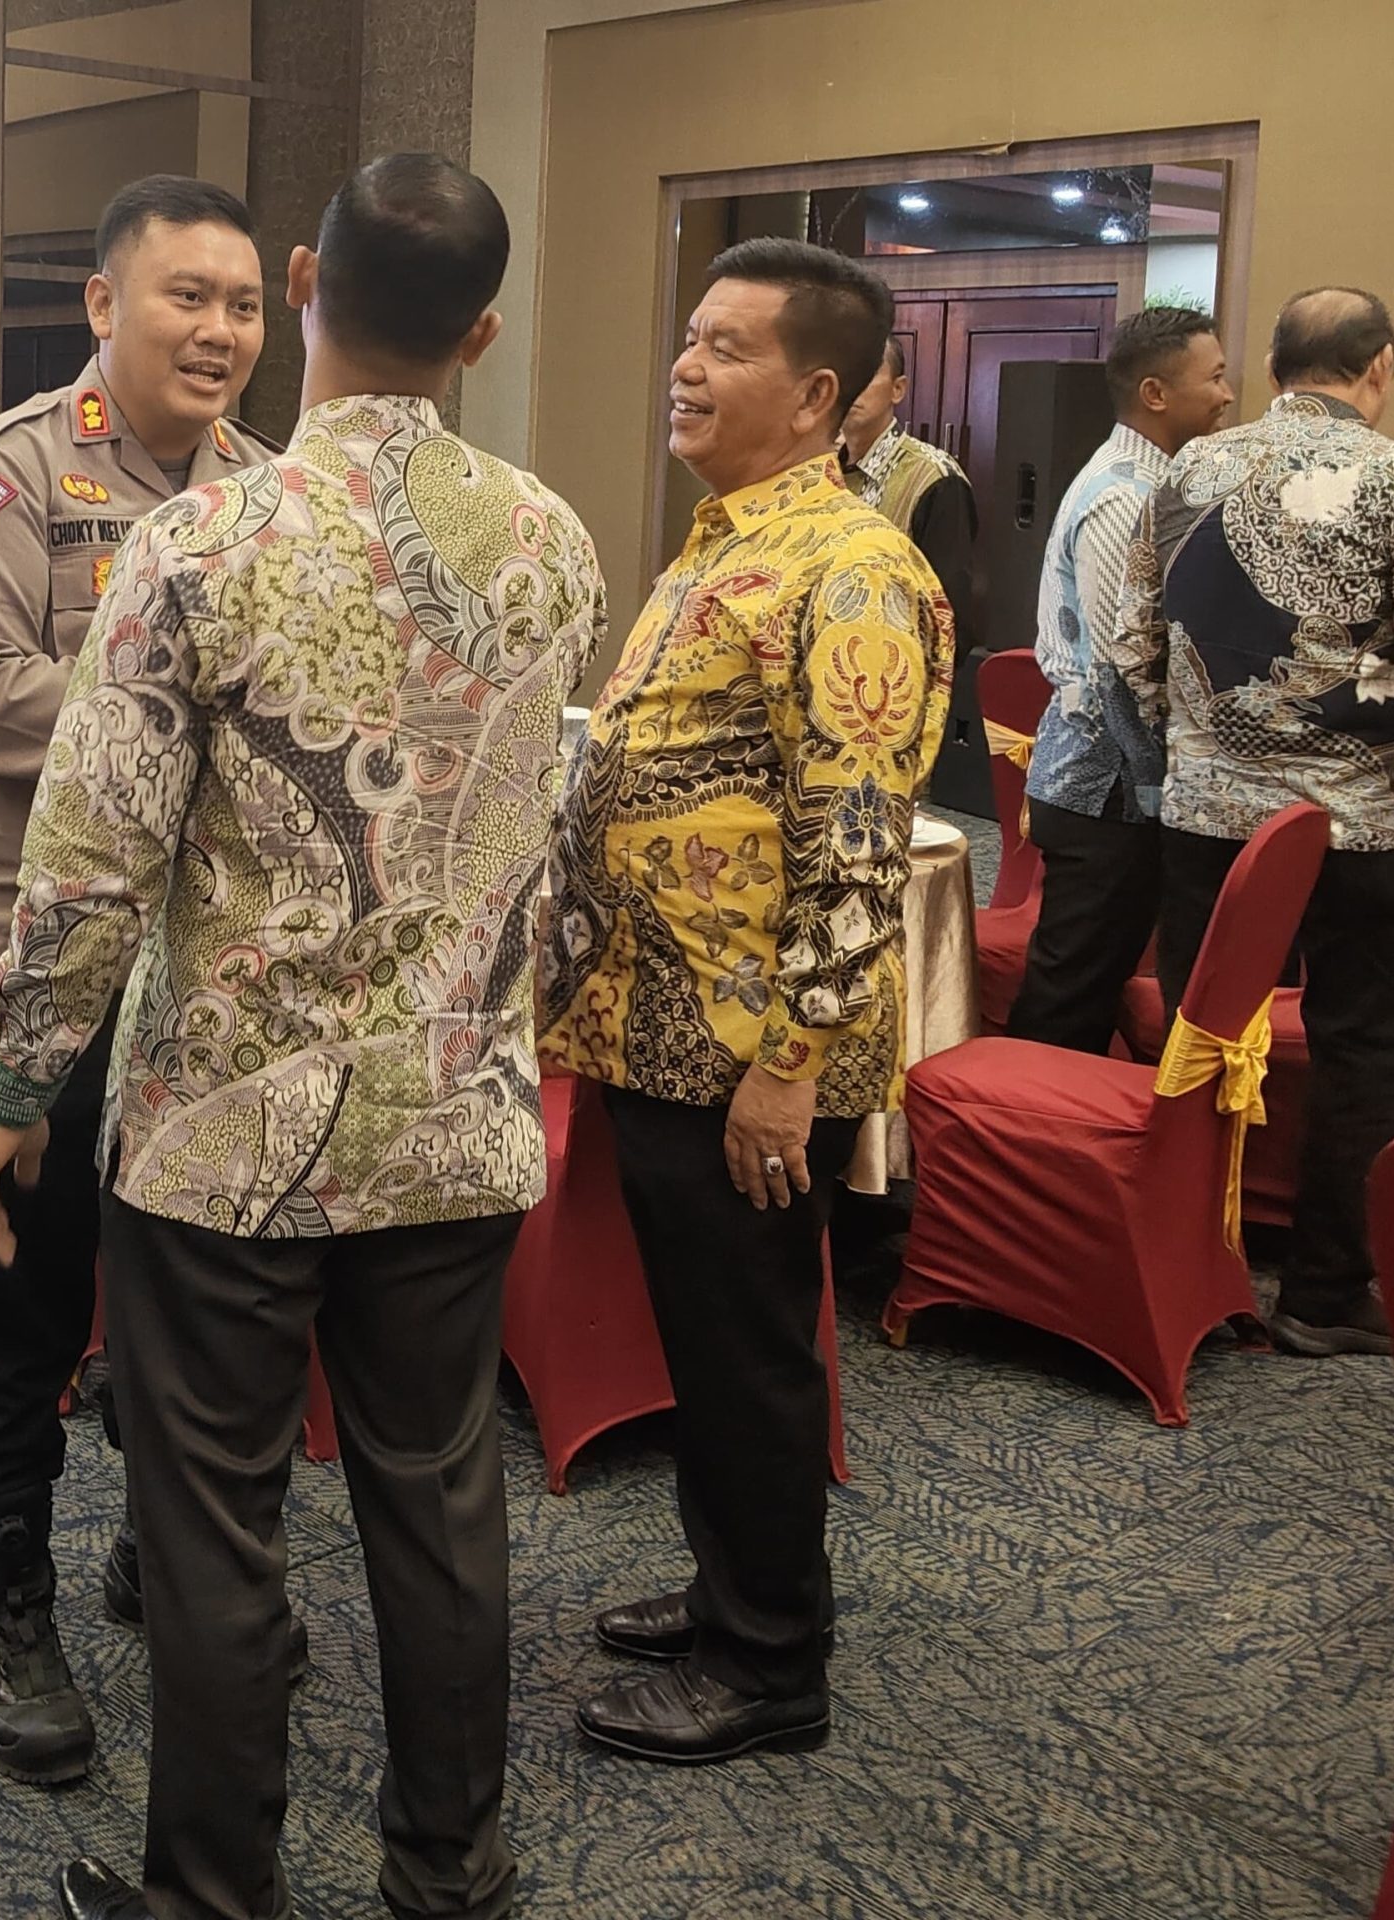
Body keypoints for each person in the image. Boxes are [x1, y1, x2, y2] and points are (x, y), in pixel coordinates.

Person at [0, 152, 603, 1920]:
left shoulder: (202, 544)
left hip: (224, 1133)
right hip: (455, 1116)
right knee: (439, 1497)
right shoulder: (553, 541)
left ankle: (215, 1896)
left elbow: (92, 859)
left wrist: (13, 1089)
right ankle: (449, 1870)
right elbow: (550, 830)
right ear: (481, 334)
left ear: (305, 283)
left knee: (218, 1519)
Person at [542, 238, 952, 1766]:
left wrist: (788, 1066)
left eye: (726, 347)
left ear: (819, 393)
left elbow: (858, 844)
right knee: (711, 1341)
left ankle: (770, 1662)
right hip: (667, 1029)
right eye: (689, 338)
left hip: (747, 1053)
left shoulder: (853, 568)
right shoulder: (731, 538)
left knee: (752, 1350)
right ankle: (737, 1590)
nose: (686, 365)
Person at [0, 173, 282, 1786]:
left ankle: (160, 1553)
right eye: (187, 296)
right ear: (105, 306)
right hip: (22, 949)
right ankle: (4, 1604)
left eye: (243, 304)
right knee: (18, 1296)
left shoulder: (270, 490)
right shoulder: (5, 479)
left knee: (191, 1295)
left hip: (206, 971)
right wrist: (177, 702)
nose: (219, 330)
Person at [1114, 287, 1394, 1358]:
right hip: (1355, 825)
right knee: (1363, 1047)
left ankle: (1187, 1255)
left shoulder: (1188, 468)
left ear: (1270, 368)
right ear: (1379, 365)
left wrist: (1193, 751)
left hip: (1207, 817)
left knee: (1203, 1033)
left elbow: (1133, 645)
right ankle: (1325, 1290)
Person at [1004, 306, 1232, 1053]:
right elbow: (1116, 672)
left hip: (1120, 789)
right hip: (1105, 788)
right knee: (1070, 992)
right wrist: (1163, 794)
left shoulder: (1155, 485)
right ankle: (1025, 1111)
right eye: (1215, 378)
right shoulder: (1123, 497)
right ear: (1156, 393)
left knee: (1090, 979)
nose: (1228, 395)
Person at [840, 337, 978, 645]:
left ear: (898, 389)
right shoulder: (820, 472)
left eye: (866, 373)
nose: (851, 386)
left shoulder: (934, 477)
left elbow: (950, 621)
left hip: (897, 663)